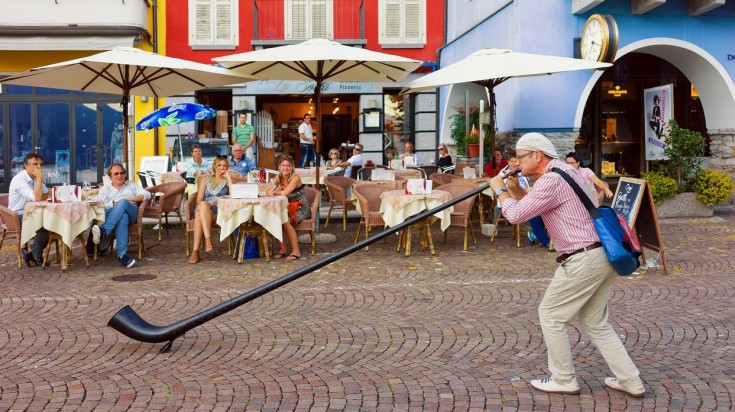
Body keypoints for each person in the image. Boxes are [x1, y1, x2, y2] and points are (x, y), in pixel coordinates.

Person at [489, 132, 645, 398]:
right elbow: (534, 205)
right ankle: (631, 380)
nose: (516, 163)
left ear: (537, 155)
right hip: (603, 255)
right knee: (596, 322)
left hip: (582, 257)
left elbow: (515, 214)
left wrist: (500, 190)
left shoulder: (550, 180)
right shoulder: (566, 171)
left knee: (550, 315)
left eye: (520, 157)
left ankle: (563, 378)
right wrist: (515, 187)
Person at [91, 163, 152, 268]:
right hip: (113, 214)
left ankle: (104, 231)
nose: (119, 176)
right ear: (110, 177)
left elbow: (147, 194)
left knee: (123, 203)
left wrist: (130, 199)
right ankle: (122, 256)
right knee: (123, 217)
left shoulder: (131, 185)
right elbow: (101, 204)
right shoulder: (106, 189)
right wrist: (114, 203)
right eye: (116, 174)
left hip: (132, 213)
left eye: (122, 173)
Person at [188, 157, 233, 264]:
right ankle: (207, 240)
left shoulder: (228, 181)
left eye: (224, 166)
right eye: (219, 165)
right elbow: (198, 199)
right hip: (206, 210)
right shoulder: (205, 180)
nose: (221, 168)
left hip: (219, 212)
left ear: (227, 168)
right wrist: (207, 204)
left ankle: (196, 252)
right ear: (214, 166)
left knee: (199, 215)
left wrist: (229, 178)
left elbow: (234, 196)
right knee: (203, 205)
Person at [8, 153, 49, 267]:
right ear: (25, 165)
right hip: (17, 215)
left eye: (40, 164)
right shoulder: (19, 180)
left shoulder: (35, 178)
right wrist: (40, 178)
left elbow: (45, 195)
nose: (38, 167)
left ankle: (31, 251)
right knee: (44, 227)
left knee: (52, 224)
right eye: (35, 164)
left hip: (32, 212)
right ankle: (35, 254)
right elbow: (38, 198)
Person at [266, 155, 310, 260]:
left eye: (288, 165)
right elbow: (267, 189)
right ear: (279, 167)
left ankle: (296, 251)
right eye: (283, 165)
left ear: (292, 167)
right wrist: (269, 191)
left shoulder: (295, 178)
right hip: (288, 207)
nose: (285, 168)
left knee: (285, 220)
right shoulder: (278, 177)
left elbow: (285, 193)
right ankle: (283, 249)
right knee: (277, 217)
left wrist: (274, 192)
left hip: (301, 208)